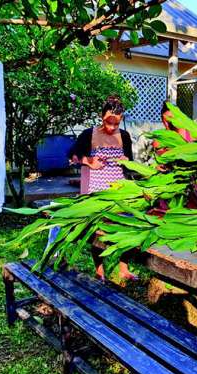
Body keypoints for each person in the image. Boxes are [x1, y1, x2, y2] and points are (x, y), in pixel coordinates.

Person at [70, 95, 136, 281]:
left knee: (128, 228)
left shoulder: (124, 136)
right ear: (101, 116)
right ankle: (100, 271)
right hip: (95, 192)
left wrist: (127, 162)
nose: (112, 127)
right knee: (98, 234)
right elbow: (73, 156)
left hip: (119, 192)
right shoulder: (88, 135)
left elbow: (130, 162)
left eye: (116, 123)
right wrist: (89, 161)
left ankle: (124, 267)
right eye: (108, 122)